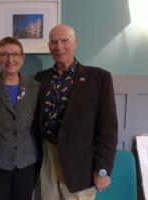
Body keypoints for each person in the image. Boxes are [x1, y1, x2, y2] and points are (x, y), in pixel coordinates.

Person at [35, 24, 118, 200]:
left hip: (80, 165)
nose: (59, 47)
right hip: (47, 159)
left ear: (75, 43)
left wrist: (102, 170)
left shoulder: (99, 78)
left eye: (64, 41)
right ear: (49, 46)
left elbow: (108, 130)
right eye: (54, 42)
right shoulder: (40, 78)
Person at [0, 37, 40, 200]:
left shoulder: (35, 87)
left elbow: (37, 126)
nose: (10, 59)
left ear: (22, 58)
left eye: (15, 54)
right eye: (4, 54)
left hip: (26, 160)